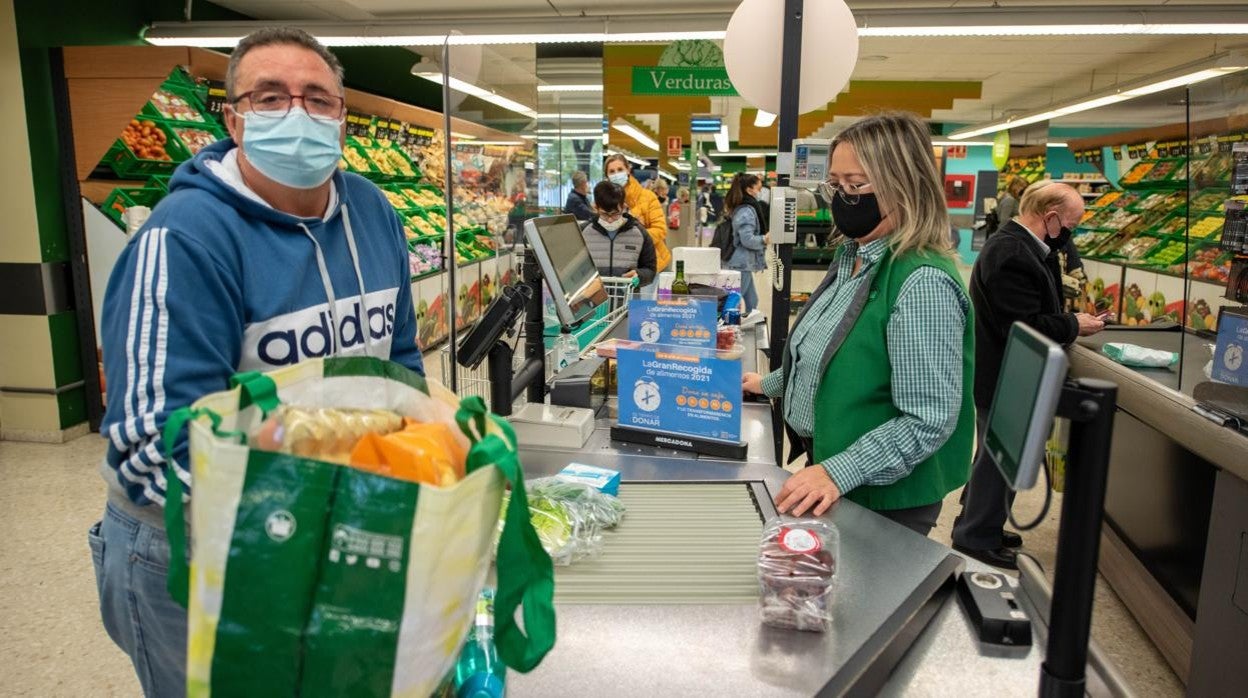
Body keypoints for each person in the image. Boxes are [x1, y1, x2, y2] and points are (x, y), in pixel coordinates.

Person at [90, 28, 426, 696]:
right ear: (235, 118)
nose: (296, 114)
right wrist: (294, 531)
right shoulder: (183, 239)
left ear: (342, 118)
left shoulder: (374, 211)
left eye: (317, 99)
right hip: (196, 548)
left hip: (326, 529)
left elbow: (402, 365)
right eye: (270, 97)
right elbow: (151, 448)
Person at [741, 112, 976, 537]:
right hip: (837, 473)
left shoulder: (920, 282)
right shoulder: (854, 255)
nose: (844, 198)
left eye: (857, 184)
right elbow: (825, 356)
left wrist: (836, 471)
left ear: (904, 185)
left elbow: (928, 419)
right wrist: (769, 384)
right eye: (836, 184)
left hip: (884, 498)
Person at [951, 182, 1105, 569]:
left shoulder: (1022, 247)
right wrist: (1073, 324)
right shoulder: (1013, 254)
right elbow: (1022, 325)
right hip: (1006, 371)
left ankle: (978, 518)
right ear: (1050, 216)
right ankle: (976, 535)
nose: (1071, 234)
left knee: (993, 452)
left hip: (1002, 370)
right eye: (1071, 224)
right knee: (999, 459)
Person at [579, 181, 657, 284]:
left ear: (623, 207)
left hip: (628, 298)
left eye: (615, 214)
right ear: (596, 207)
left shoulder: (639, 233)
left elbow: (650, 270)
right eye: (605, 214)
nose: (610, 220)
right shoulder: (582, 232)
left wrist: (640, 275)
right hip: (592, 298)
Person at [605, 153, 670, 273]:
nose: (616, 174)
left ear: (628, 170)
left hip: (651, 264)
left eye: (620, 169)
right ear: (607, 176)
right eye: (612, 171)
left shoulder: (648, 197)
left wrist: (634, 237)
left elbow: (660, 230)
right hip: (620, 266)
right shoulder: (606, 203)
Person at [723, 173, 769, 314]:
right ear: (749, 190)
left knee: (752, 301)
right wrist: (764, 239)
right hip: (741, 263)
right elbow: (747, 240)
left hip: (744, 262)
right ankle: (723, 330)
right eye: (758, 189)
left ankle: (749, 326)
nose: (760, 192)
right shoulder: (746, 211)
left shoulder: (746, 207)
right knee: (732, 301)